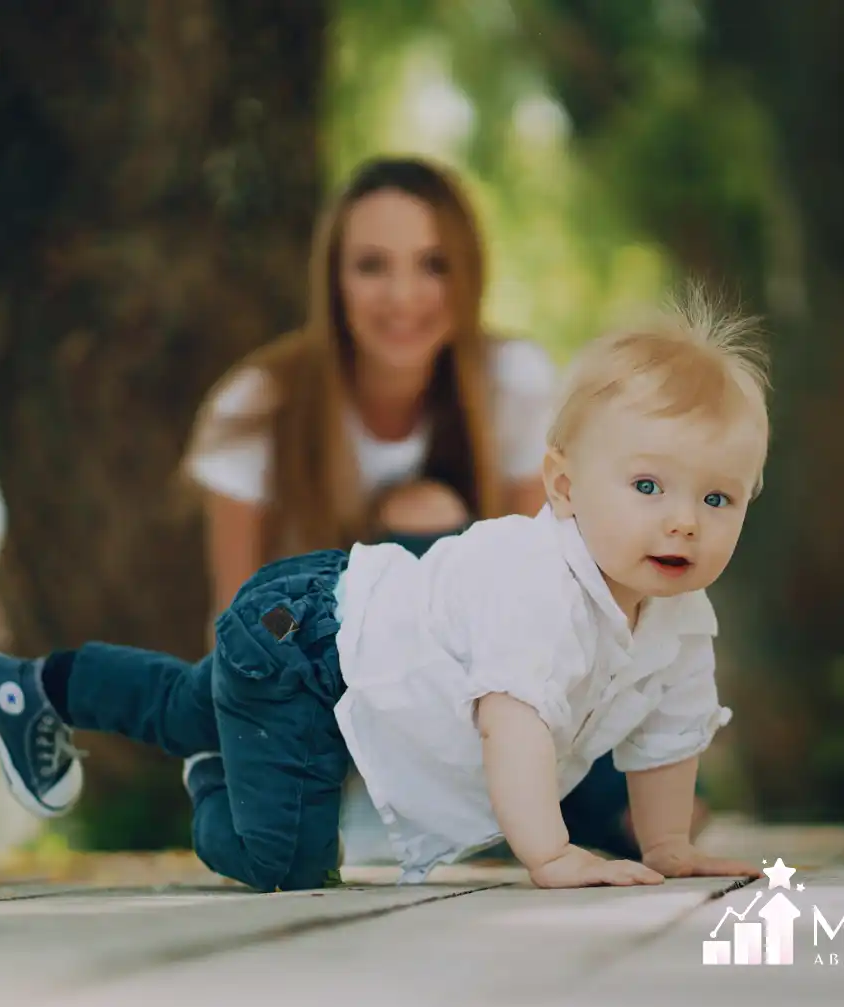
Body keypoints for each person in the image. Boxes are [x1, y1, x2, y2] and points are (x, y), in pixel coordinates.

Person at [0, 286, 766, 891]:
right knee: (285, 865)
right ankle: (218, 782)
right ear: (562, 486)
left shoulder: (681, 618)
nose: (683, 524)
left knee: (184, 705)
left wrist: (665, 849)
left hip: (337, 646)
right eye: (648, 487)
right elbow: (512, 728)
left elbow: (668, 738)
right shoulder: (541, 591)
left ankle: (38, 686)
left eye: (716, 498)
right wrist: (551, 856)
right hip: (305, 646)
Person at [182, 155, 650, 859]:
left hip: (493, 688)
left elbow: (550, 592)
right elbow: (232, 625)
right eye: (372, 265)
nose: (403, 296)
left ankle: (542, 798)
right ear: (333, 281)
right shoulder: (259, 405)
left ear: (466, 276)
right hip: (332, 691)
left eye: (432, 265)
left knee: (628, 818)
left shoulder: (511, 383)